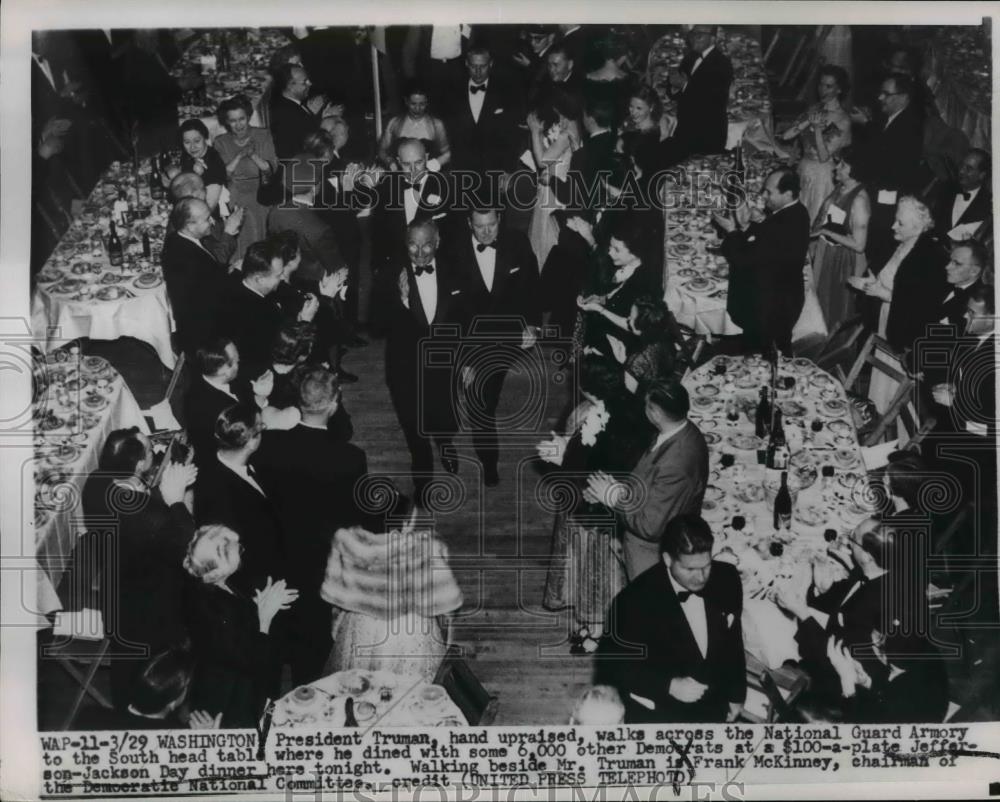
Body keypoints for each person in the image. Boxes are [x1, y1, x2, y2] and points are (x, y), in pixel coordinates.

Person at [60, 428, 197, 710]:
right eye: (150, 450)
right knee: (153, 671)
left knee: (125, 668)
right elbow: (187, 546)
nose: (154, 450)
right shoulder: (152, 516)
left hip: (115, 590)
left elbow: (142, 508)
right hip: (152, 608)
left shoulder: (96, 481)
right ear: (138, 465)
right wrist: (179, 499)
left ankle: (124, 708)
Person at [252, 367, 372, 685]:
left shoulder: (268, 446)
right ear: (333, 405)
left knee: (287, 611)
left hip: (281, 545)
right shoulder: (350, 458)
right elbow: (354, 511)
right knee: (317, 623)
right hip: (324, 553)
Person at [539, 358, 653, 651]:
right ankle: (602, 623)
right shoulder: (631, 406)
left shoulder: (592, 417)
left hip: (595, 509)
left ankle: (597, 629)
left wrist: (559, 456)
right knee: (607, 572)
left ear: (587, 389)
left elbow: (587, 472)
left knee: (593, 570)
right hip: (615, 507)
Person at [595, 514, 746, 723]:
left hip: (715, 705)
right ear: (667, 559)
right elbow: (613, 664)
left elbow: (733, 643)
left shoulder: (727, 578)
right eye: (690, 569)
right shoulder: (632, 602)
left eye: (706, 565)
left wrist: (737, 695)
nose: (701, 577)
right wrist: (669, 685)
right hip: (663, 713)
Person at [370, 219, 467, 506]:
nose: (420, 252)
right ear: (405, 243)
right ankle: (423, 475)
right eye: (413, 244)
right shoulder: (389, 275)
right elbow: (375, 327)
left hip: (444, 364)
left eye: (427, 244)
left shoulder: (456, 269)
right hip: (404, 367)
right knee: (414, 426)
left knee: (443, 414)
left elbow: (466, 316)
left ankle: (446, 444)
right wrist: (401, 301)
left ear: (437, 243)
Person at [582, 378, 709, 580]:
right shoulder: (681, 430)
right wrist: (614, 488)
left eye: (646, 406)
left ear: (656, 414)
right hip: (648, 527)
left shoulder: (676, 464)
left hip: (650, 553)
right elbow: (651, 478)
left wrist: (612, 496)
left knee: (647, 604)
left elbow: (650, 526)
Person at [449, 208, 540, 486]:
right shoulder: (452, 252)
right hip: (468, 339)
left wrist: (532, 324)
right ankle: (471, 452)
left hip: (505, 336)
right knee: (469, 399)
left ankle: (488, 458)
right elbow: (452, 313)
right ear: (469, 224)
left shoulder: (518, 242)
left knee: (484, 400)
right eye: (479, 227)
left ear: (500, 220)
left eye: (491, 225)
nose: (486, 232)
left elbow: (531, 285)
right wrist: (465, 360)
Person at [320, 517, 464, 682]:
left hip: (362, 625)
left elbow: (336, 598)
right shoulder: (428, 546)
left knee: (360, 685)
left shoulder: (347, 543)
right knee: (411, 689)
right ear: (406, 522)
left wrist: (337, 626)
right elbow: (447, 603)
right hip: (412, 630)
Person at [183, 525, 298, 728]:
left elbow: (233, 617)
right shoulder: (211, 605)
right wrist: (264, 618)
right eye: (239, 549)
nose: (242, 550)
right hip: (233, 702)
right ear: (222, 564)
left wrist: (257, 604)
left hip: (228, 682)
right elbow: (251, 662)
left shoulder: (210, 586)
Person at [715, 167, 811, 355]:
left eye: (769, 192)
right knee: (773, 347)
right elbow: (767, 241)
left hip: (769, 306)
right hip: (783, 297)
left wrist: (732, 231)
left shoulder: (781, 224)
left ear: (788, 194)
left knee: (763, 353)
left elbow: (744, 259)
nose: (763, 196)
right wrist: (746, 226)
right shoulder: (797, 211)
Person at [193, 404, 286, 598]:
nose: (266, 427)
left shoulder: (220, 459)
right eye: (262, 427)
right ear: (252, 442)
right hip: (263, 581)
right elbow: (238, 558)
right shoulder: (218, 498)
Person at [855, 195, 950, 354]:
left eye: (900, 223)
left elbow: (923, 305)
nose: (893, 226)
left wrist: (886, 294)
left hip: (903, 330)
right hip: (883, 319)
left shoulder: (931, 257)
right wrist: (873, 281)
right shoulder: (896, 243)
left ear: (918, 227)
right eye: (895, 220)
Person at [856, 73, 925, 273]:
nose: (880, 98)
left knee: (881, 247)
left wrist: (867, 125)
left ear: (903, 97)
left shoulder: (910, 124)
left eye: (886, 94)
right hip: (879, 194)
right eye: (881, 93)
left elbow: (886, 158)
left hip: (891, 199)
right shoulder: (889, 118)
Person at [576, 217, 660, 362]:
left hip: (623, 341)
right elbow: (620, 294)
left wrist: (599, 309)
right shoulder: (632, 267)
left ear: (635, 253)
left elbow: (635, 328)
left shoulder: (643, 283)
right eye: (610, 247)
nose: (610, 253)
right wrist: (602, 299)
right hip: (610, 321)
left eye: (617, 250)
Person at [369, 138, 455, 278]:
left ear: (427, 157)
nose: (413, 170)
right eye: (406, 164)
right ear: (398, 161)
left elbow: (455, 236)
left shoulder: (447, 187)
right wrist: (379, 271)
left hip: (440, 270)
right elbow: (378, 236)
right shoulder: (385, 189)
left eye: (419, 162)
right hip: (397, 270)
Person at [445, 43, 524, 197]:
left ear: (491, 64)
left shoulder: (507, 91)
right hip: (463, 171)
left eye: (483, 66)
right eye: (474, 66)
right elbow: (449, 134)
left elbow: (512, 134)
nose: (478, 72)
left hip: (495, 171)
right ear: (466, 63)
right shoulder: (452, 92)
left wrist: (509, 170)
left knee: (496, 217)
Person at [778, 66, 852, 221]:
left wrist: (817, 129)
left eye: (829, 86)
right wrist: (806, 121)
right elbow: (786, 136)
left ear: (839, 90)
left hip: (822, 175)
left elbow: (824, 156)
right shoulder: (814, 109)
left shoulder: (842, 119)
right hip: (804, 168)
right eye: (821, 84)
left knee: (813, 218)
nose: (822, 90)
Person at [655, 25, 734, 168]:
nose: (693, 38)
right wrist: (675, 86)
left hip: (708, 134)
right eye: (693, 34)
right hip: (685, 129)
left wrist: (684, 85)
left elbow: (712, 100)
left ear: (713, 39)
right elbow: (675, 88)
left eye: (700, 35)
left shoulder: (722, 64)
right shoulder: (689, 58)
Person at [810, 147, 871, 329]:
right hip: (827, 250)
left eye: (843, 165)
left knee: (834, 305)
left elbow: (859, 245)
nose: (836, 168)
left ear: (855, 170)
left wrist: (826, 233)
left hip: (843, 259)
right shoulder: (841, 187)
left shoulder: (859, 201)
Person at [161, 197, 231, 356]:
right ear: (190, 225)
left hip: (199, 319)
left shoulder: (177, 239)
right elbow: (215, 293)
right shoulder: (188, 259)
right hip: (205, 335)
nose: (212, 222)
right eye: (207, 219)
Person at [213, 94, 278, 259]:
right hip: (234, 195)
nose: (238, 124)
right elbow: (222, 174)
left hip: (260, 194)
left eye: (242, 119)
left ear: (249, 116)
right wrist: (240, 156)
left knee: (259, 243)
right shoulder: (221, 141)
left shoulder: (263, 135)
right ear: (226, 122)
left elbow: (270, 169)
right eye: (233, 120)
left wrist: (253, 155)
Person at [526, 90, 582, 267]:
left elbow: (543, 161)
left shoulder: (566, 135)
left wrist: (535, 131)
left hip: (554, 191)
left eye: (559, 114)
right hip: (556, 184)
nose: (559, 120)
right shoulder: (573, 127)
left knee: (547, 238)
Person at [167, 172, 243, 266]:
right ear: (196, 194)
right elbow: (213, 263)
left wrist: (229, 224)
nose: (206, 190)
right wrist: (229, 233)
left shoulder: (190, 212)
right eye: (203, 187)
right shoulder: (186, 230)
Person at [377, 80, 451, 172]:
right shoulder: (394, 123)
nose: (417, 109)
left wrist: (438, 162)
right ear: (406, 101)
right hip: (401, 176)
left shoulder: (436, 125)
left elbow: (448, 153)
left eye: (422, 104)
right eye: (413, 104)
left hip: (428, 176)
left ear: (427, 102)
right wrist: (390, 162)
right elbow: (382, 151)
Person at [932, 148, 992, 243]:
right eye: (961, 165)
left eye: (969, 169)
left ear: (982, 175)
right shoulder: (945, 188)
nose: (961, 171)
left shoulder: (988, 204)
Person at [269, 63, 322, 160]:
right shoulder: (290, 114)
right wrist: (323, 119)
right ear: (290, 86)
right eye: (304, 82)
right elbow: (312, 138)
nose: (309, 84)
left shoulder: (283, 102)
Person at [618, 84, 666, 180]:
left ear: (651, 107)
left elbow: (642, 173)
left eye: (639, 108)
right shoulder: (632, 122)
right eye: (631, 106)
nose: (633, 112)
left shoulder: (650, 137)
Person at [178, 119, 226, 214]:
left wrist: (198, 177)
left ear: (205, 138)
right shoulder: (187, 156)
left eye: (197, 141)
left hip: (208, 214)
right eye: (187, 142)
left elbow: (209, 208)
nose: (192, 147)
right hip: (188, 203)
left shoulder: (215, 163)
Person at [939, 241, 988, 328]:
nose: (947, 267)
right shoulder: (939, 278)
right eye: (950, 260)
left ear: (974, 271)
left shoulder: (977, 303)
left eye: (957, 264)